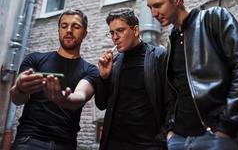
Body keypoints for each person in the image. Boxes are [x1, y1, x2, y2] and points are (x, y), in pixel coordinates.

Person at [141, 0, 238, 150]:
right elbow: (176, 92)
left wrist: (227, 126)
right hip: (179, 139)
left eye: (158, 5)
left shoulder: (214, 19)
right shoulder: (172, 41)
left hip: (216, 137)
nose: (153, 13)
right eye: (150, 7)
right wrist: (170, 131)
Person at [10, 9, 99, 150]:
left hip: (65, 143)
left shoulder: (90, 70)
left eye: (75, 26)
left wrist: (65, 99)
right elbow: (17, 99)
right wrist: (20, 87)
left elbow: (80, 96)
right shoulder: (35, 59)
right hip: (30, 140)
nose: (69, 30)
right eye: (64, 26)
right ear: (58, 31)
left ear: (84, 34)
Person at [95, 8, 173, 150]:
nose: (115, 37)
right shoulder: (115, 61)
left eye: (120, 30)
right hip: (114, 143)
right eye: (112, 33)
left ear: (136, 30)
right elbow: (101, 104)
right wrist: (103, 77)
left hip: (147, 144)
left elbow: (171, 101)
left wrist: (164, 136)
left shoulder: (159, 56)